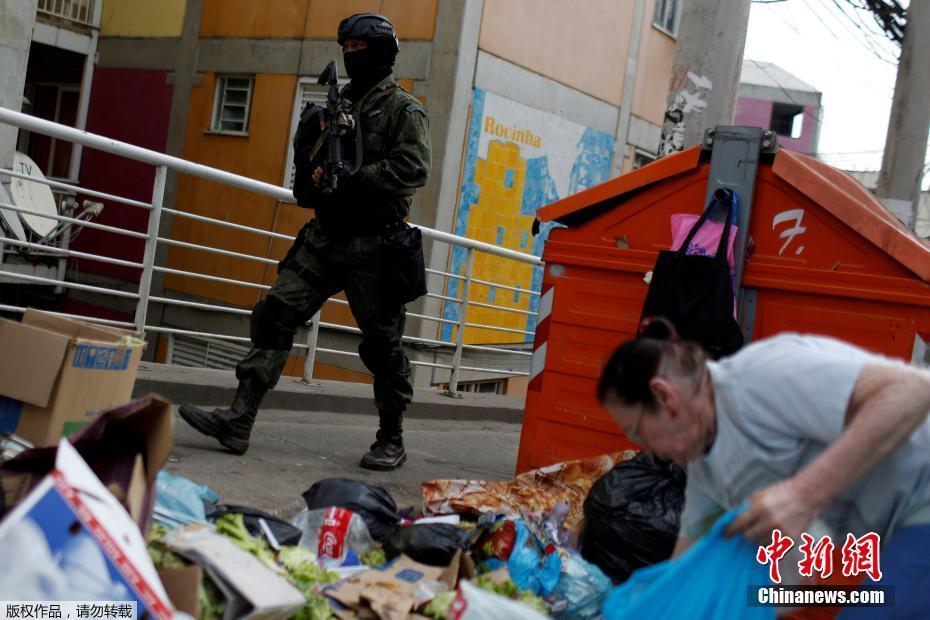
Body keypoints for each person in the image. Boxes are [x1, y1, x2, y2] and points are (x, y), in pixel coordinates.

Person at [179, 13, 431, 471]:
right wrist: (311, 159)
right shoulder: (337, 105)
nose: (351, 55)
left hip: (375, 247)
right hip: (325, 237)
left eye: (360, 47)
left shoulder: (402, 109)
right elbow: (310, 174)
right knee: (276, 314)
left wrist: (356, 177)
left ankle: (391, 436)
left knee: (383, 348)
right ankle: (239, 418)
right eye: (346, 47)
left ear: (381, 53)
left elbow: (414, 169)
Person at [597, 318, 930, 615]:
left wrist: (803, 495)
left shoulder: (762, 376)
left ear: (665, 397)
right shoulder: (707, 469)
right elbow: (687, 562)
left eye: (640, 432)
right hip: (876, 539)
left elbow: (914, 389)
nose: (650, 451)